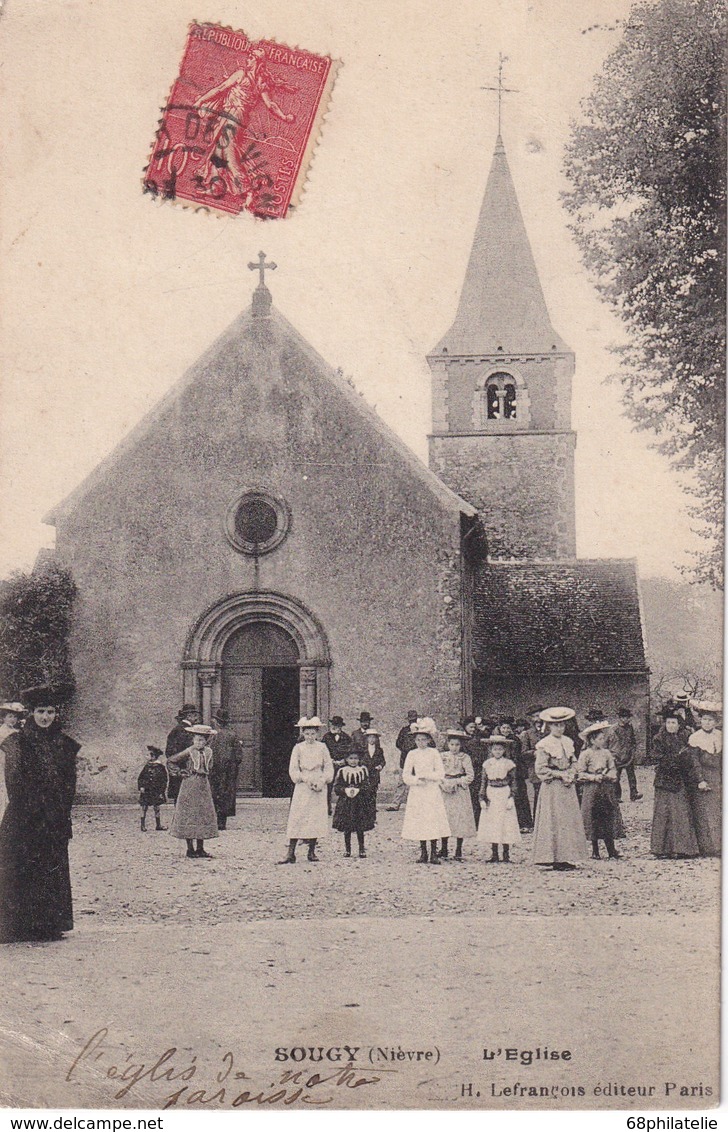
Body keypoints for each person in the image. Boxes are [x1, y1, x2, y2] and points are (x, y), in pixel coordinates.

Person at [0, 684, 80, 943]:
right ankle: (16, 925)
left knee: (49, 868)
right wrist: (30, 810)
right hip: (24, 816)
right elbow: (14, 781)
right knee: (19, 867)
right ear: (31, 714)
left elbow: (70, 784)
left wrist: (60, 812)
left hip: (53, 818)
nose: (45, 717)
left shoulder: (65, 745)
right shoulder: (16, 743)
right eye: (40, 711)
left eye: (50, 711)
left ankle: (48, 923)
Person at [531, 707, 588, 871]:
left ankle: (566, 856)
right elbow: (540, 769)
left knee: (567, 820)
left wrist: (571, 773)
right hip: (553, 788)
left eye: (562, 725)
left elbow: (574, 762)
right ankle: (553, 857)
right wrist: (559, 775)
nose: (559, 728)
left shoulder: (568, 742)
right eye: (556, 725)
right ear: (549, 726)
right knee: (554, 820)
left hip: (567, 787)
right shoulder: (544, 745)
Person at [279, 717, 334, 864]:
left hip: (318, 784)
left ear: (317, 734)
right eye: (307, 734)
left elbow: (328, 767)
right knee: (298, 817)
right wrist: (303, 778)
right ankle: (291, 852)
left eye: (313, 734)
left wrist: (322, 780)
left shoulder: (322, 747)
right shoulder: (298, 748)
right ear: (303, 734)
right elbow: (293, 769)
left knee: (314, 818)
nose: (310, 737)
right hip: (303, 785)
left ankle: (311, 851)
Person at [650, 708, 700, 859]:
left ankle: (683, 848)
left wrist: (683, 760)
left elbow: (690, 757)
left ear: (679, 725)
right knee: (663, 814)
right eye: (668, 723)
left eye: (674, 723)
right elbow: (657, 757)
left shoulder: (684, 738)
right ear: (665, 724)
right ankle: (661, 849)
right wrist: (675, 760)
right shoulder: (658, 739)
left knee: (681, 813)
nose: (671, 725)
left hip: (680, 779)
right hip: (664, 780)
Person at [168, 724, 219, 858]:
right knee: (189, 813)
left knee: (202, 813)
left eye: (202, 740)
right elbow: (172, 761)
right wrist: (180, 772)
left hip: (203, 785)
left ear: (206, 741)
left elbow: (211, 766)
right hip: (190, 785)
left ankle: (200, 848)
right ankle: (190, 849)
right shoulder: (189, 751)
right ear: (193, 740)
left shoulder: (209, 752)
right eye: (196, 740)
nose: (199, 743)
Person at [401, 727, 450, 864]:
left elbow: (440, 773)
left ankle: (434, 853)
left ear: (429, 740)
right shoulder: (412, 754)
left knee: (432, 819)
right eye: (418, 740)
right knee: (421, 820)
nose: (421, 742)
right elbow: (406, 775)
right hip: (418, 791)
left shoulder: (434, 753)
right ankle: (423, 852)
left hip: (432, 789)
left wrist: (428, 776)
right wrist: (416, 780)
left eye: (423, 739)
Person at [577, 721, 625, 860]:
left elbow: (612, 769)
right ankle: (595, 850)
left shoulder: (606, 753)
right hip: (592, 790)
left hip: (606, 789)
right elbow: (580, 773)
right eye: (600, 739)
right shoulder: (586, 754)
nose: (602, 741)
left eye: (603, 738)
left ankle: (611, 849)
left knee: (607, 817)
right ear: (592, 740)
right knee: (593, 818)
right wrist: (593, 777)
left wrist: (609, 776)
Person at [686, 701, 722, 858]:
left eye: (710, 720)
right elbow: (694, 763)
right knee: (704, 813)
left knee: (718, 811)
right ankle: (708, 847)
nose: (707, 723)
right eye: (704, 720)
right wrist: (700, 780)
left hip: (718, 777)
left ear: (715, 722)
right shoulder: (695, 738)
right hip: (703, 778)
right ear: (700, 721)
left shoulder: (720, 736)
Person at [477, 736, 521, 863]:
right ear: (491, 750)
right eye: (495, 749)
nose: (497, 752)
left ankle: (506, 854)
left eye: (500, 749)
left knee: (506, 822)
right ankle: (494, 853)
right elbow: (483, 782)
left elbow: (513, 781)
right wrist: (482, 798)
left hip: (504, 792)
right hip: (492, 792)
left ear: (504, 750)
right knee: (493, 823)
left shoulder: (509, 764)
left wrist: (511, 797)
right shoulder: (487, 764)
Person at [438, 728, 476, 860]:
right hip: (445, 789)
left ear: (461, 745)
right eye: (452, 744)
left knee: (460, 819)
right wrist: (443, 782)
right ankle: (444, 848)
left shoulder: (465, 757)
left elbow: (470, 776)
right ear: (448, 744)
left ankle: (458, 849)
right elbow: (437, 772)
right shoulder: (442, 756)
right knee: (445, 817)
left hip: (459, 790)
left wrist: (458, 781)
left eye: (457, 745)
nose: (454, 748)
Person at [332, 747, 375, 858]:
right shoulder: (342, 771)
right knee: (347, 827)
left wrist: (359, 790)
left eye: (356, 758)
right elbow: (337, 787)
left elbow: (367, 786)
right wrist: (345, 790)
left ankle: (361, 849)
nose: (353, 761)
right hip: (346, 803)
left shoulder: (362, 770)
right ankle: (348, 850)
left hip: (359, 802)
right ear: (346, 759)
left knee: (360, 826)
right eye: (351, 758)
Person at [208, 708, 243, 830]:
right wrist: (232, 766)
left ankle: (214, 820)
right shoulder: (233, 735)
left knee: (215, 793)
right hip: (228, 771)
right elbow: (239, 756)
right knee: (226, 794)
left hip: (215, 770)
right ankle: (222, 822)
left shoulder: (213, 736)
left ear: (217, 722)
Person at [497, 718, 532, 832]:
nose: (506, 730)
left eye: (508, 728)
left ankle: (523, 823)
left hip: (515, 770)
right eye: (503, 728)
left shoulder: (515, 740)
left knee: (519, 796)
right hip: (501, 770)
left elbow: (516, 756)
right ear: (500, 728)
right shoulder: (497, 739)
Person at [165, 704, 200, 804]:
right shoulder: (186, 730)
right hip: (184, 770)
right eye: (194, 715)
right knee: (184, 800)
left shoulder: (178, 729)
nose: (196, 718)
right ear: (189, 716)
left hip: (178, 770)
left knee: (180, 799)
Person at [608, 708, 642, 801]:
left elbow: (632, 740)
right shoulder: (614, 729)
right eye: (624, 717)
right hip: (618, 756)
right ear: (620, 718)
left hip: (628, 755)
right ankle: (617, 796)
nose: (626, 719)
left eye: (627, 717)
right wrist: (613, 755)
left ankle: (634, 793)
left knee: (631, 776)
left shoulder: (629, 727)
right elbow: (612, 743)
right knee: (616, 777)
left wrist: (633, 750)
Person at [387, 710, 419, 811]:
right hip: (405, 760)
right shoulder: (404, 731)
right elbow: (398, 743)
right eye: (411, 720)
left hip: (419, 761)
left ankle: (419, 804)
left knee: (419, 782)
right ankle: (395, 804)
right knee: (402, 782)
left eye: (414, 720)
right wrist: (406, 749)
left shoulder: (422, 730)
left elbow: (431, 744)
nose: (412, 722)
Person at [0, 703, 25, 823]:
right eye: (10, 716)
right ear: (3, 718)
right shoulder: (2, 732)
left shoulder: (17, 731)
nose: (13, 719)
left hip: (14, 764)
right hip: (3, 763)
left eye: (15, 717)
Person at [322, 715, 352, 814]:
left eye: (337, 725)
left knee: (344, 785)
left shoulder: (346, 737)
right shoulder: (326, 737)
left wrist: (344, 760)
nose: (335, 727)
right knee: (328, 786)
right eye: (333, 725)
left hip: (343, 765)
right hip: (330, 764)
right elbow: (323, 751)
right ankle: (327, 808)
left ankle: (344, 809)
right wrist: (330, 761)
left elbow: (350, 751)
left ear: (341, 726)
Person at [518, 705, 544, 813]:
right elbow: (523, 753)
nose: (537, 719)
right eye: (534, 717)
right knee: (538, 795)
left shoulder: (550, 731)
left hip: (551, 768)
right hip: (535, 769)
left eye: (539, 716)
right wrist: (534, 753)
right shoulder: (528, 734)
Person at [137, 745, 168, 832]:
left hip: (156, 791)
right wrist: (141, 786)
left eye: (148, 755)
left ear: (153, 756)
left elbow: (164, 780)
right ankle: (142, 825)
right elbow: (141, 778)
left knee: (157, 807)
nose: (146, 757)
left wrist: (161, 791)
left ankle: (158, 825)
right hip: (146, 791)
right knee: (144, 807)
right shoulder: (146, 767)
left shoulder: (160, 767)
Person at [461, 717, 485, 824]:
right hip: (465, 769)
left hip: (477, 769)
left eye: (474, 727)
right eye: (470, 727)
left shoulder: (478, 738)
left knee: (476, 795)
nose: (472, 729)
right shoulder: (461, 738)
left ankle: (476, 821)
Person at [360, 727, 386, 809]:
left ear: (376, 739)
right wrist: (361, 766)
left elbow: (383, 761)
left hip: (374, 773)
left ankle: (372, 808)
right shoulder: (362, 749)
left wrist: (380, 766)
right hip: (365, 773)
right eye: (370, 737)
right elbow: (359, 760)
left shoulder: (379, 750)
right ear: (367, 738)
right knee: (364, 791)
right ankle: (364, 809)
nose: (372, 739)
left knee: (373, 792)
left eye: (373, 737)